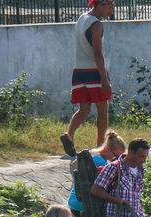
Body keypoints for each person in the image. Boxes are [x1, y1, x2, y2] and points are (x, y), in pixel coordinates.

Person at [60, 0, 114, 157]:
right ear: (100, 5)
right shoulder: (97, 25)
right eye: (109, 8)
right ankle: (100, 147)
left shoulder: (82, 18)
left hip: (79, 71)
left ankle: (69, 134)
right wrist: (104, 79)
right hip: (94, 72)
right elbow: (97, 53)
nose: (111, 12)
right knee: (102, 110)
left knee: (84, 110)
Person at [89, 137, 149, 217]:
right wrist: (116, 200)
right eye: (141, 156)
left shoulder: (140, 170)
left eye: (145, 157)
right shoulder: (114, 168)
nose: (144, 160)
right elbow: (95, 190)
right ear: (131, 153)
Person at [67, 130, 124, 215]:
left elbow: (73, 164)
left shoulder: (92, 152)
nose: (117, 159)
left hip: (73, 200)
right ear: (107, 149)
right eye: (116, 155)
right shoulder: (100, 162)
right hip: (84, 204)